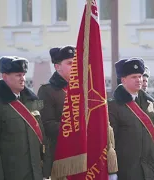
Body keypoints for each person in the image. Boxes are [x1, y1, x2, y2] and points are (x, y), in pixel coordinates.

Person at [37, 46, 118, 179]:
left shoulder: (86, 88)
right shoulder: (48, 91)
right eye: (69, 63)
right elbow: (48, 125)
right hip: (64, 157)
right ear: (57, 67)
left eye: (76, 62)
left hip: (89, 156)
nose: (74, 66)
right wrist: (80, 127)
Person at [0, 56, 47, 180]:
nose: (23, 79)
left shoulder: (31, 101)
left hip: (35, 174)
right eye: (18, 75)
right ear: (4, 76)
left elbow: (40, 138)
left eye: (23, 75)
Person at [108, 57, 154, 180]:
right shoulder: (113, 106)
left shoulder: (149, 103)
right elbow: (110, 141)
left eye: (140, 76)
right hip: (127, 170)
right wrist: (111, 170)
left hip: (149, 170)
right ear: (123, 80)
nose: (139, 80)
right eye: (134, 77)